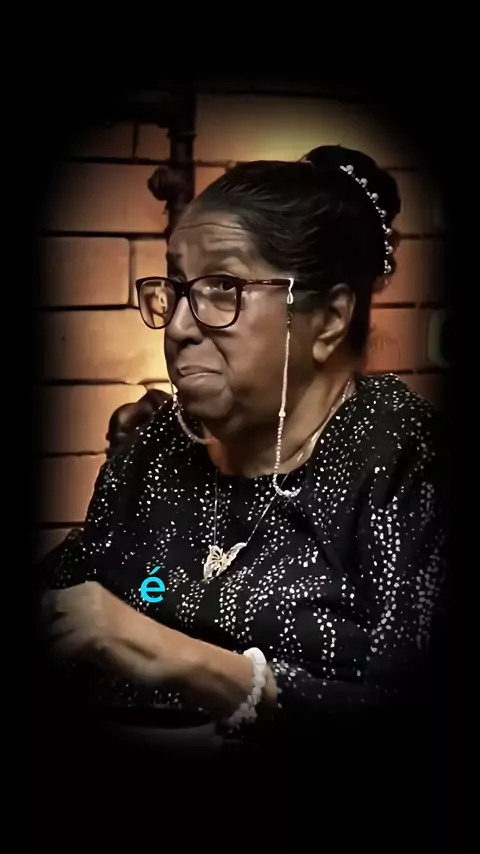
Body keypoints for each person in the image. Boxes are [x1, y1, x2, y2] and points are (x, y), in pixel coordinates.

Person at [36, 145, 448, 778]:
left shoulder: (408, 463)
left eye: (222, 288)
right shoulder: (156, 449)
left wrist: (181, 660)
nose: (178, 327)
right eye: (177, 289)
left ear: (329, 319)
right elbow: (70, 605)